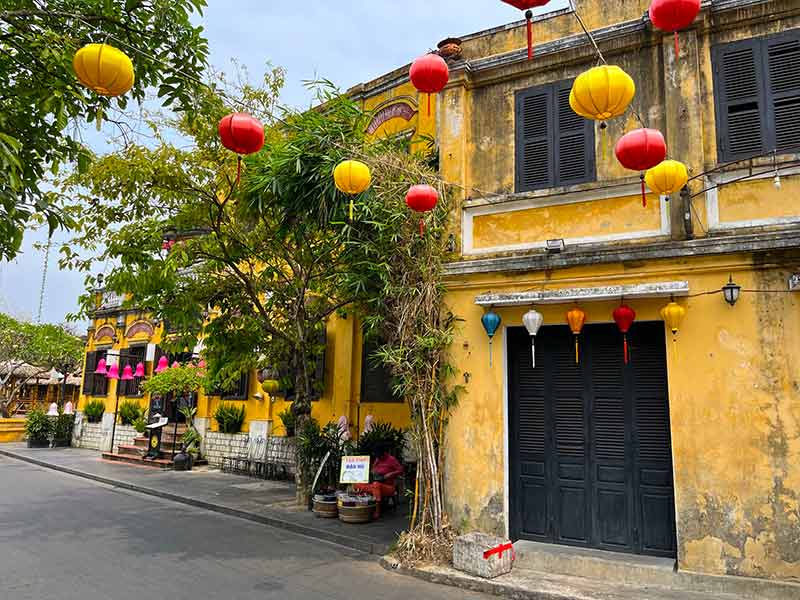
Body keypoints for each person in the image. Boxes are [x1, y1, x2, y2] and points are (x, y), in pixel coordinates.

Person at [354, 449, 404, 518]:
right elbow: (373, 469)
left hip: (388, 486)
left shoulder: (392, 459)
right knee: (357, 484)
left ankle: (377, 511)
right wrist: (373, 471)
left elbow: (401, 470)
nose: (379, 458)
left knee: (376, 485)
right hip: (376, 482)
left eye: (380, 457)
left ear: (384, 454)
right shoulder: (378, 459)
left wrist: (391, 474)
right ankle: (363, 507)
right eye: (378, 457)